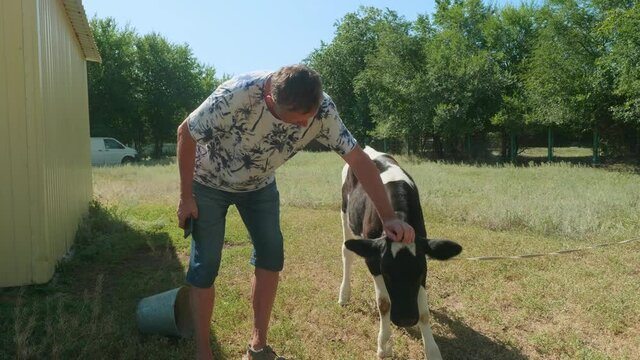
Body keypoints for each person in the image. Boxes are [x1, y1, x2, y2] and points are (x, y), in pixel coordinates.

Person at [176, 64, 415, 360]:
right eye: (298, 120)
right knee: (205, 264)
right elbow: (185, 133)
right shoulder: (236, 94)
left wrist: (389, 215)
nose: (305, 126)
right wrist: (186, 197)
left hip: (259, 186)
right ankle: (204, 352)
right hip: (209, 182)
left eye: (309, 118)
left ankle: (258, 348)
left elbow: (358, 158)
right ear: (271, 102)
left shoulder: (323, 109)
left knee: (271, 256)